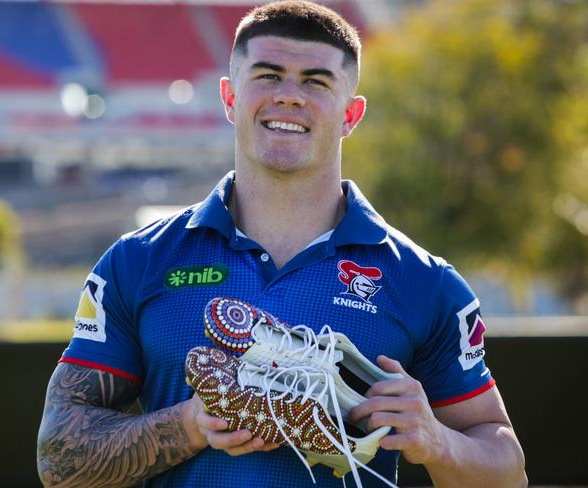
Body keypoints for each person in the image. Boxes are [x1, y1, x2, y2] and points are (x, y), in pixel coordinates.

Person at [37, 2, 527, 487]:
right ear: (229, 98)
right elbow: (57, 459)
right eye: (268, 75)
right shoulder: (138, 261)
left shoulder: (424, 280)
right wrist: (190, 424)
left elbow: (508, 472)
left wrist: (437, 441)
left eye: (316, 81)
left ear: (351, 114)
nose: (290, 96)